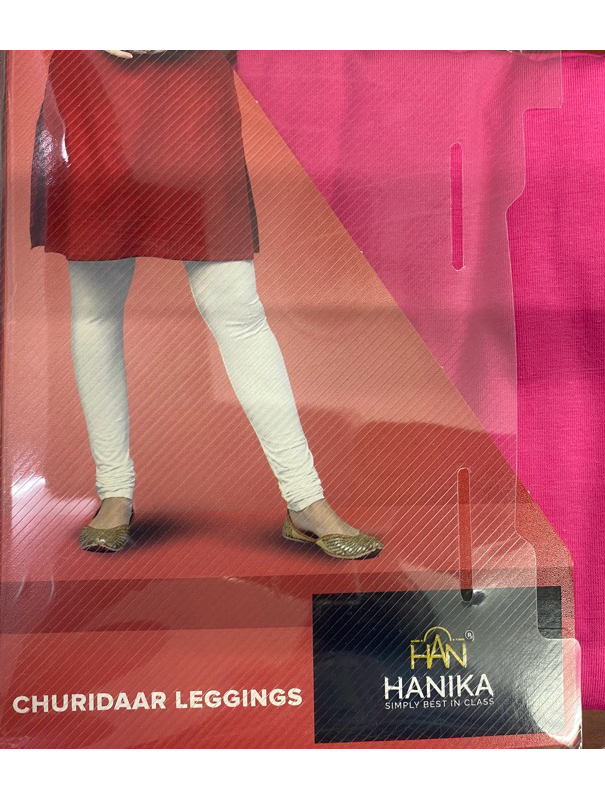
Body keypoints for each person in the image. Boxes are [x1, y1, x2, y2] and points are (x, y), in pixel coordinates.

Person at [30, 49, 383, 560]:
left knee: (236, 306)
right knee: (95, 306)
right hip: (91, 71)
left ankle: (305, 498)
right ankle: (114, 491)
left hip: (191, 71)